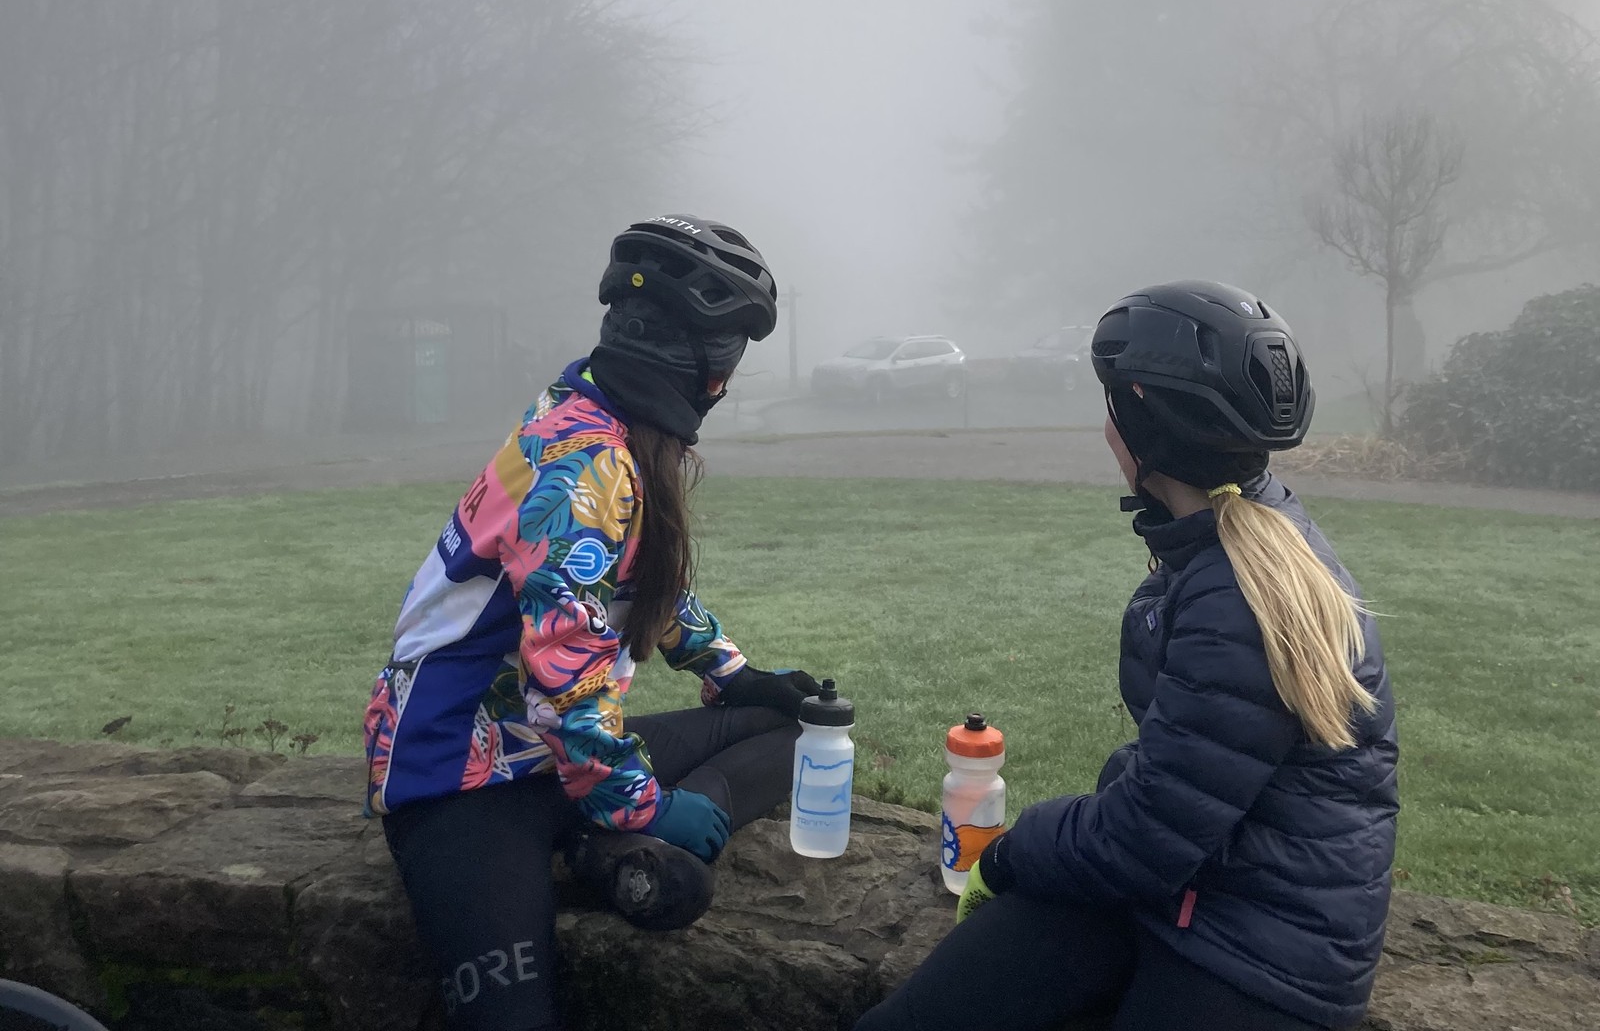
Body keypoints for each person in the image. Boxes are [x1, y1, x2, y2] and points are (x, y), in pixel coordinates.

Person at [859, 282, 1398, 1031]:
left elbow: (1144, 839)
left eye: (1115, 403)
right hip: (1175, 896)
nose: (1106, 426)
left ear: (1141, 424)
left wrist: (1010, 853)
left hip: (1260, 958)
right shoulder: (1239, 539)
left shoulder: (1238, 596)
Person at [364, 215, 822, 1031]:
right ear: (704, 364)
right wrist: (645, 807)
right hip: (456, 778)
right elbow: (565, 682)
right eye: (731, 360)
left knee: (791, 730)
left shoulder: (595, 419)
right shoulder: (586, 466)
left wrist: (734, 674)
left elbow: (636, 585)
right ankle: (619, 837)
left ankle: (604, 842)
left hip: (541, 754)